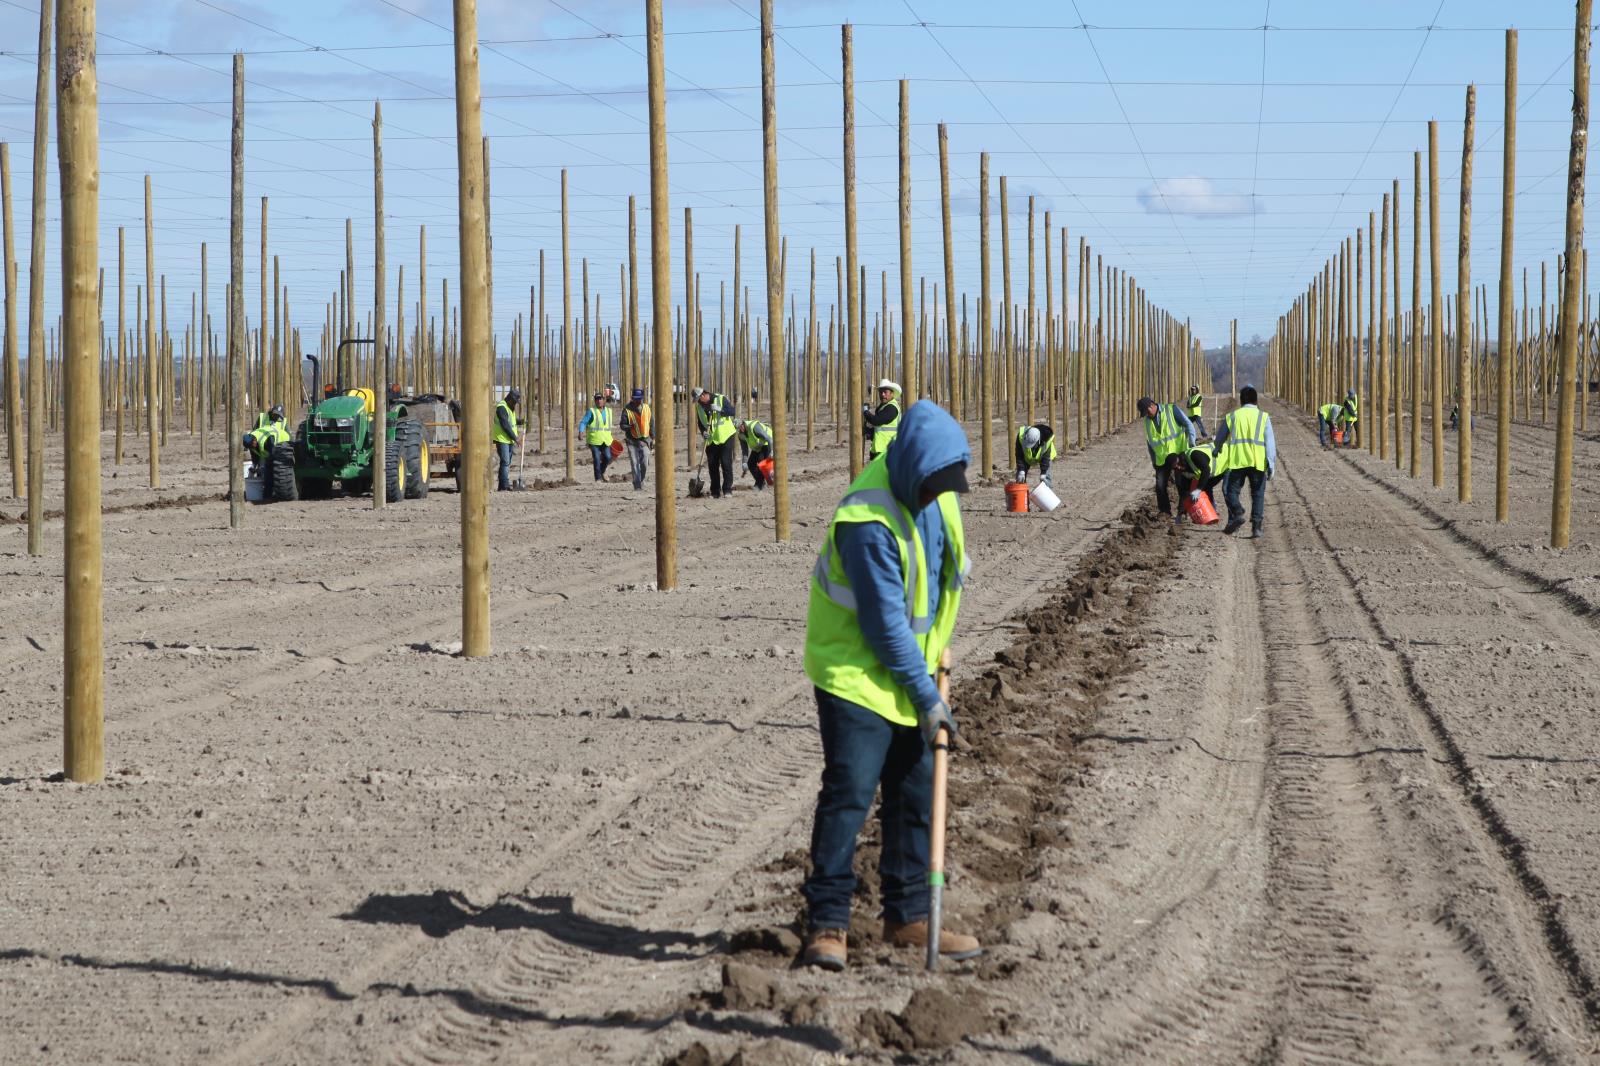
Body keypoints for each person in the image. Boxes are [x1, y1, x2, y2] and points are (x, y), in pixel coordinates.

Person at [800, 400, 982, 972]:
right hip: (855, 675)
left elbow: (948, 566)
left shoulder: (940, 493)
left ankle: (907, 916)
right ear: (910, 468)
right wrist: (928, 699)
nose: (937, 497)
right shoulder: (866, 521)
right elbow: (884, 628)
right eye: (931, 486)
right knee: (849, 795)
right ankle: (828, 923)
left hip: (913, 672)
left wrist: (933, 673)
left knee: (916, 792)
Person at [1211, 384, 1277, 538]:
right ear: (1256, 401)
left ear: (1241, 401)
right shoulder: (1263, 417)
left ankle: (1237, 510)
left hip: (1238, 461)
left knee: (1231, 491)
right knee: (1258, 494)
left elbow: (1220, 437)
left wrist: (1216, 449)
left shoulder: (1233, 416)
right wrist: (1271, 464)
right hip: (1257, 462)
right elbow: (1270, 442)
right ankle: (1256, 527)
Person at [1136, 395, 1196, 520]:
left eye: (1147, 411)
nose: (1146, 414)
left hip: (1179, 452)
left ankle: (1183, 511)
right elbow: (1150, 442)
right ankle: (1165, 511)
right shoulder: (1147, 421)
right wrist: (1153, 460)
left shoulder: (1171, 410)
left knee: (1181, 483)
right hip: (1162, 458)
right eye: (1144, 413)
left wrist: (1191, 445)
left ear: (1152, 405)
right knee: (1160, 485)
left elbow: (1188, 424)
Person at [696, 387, 738, 498]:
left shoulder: (721, 399)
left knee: (726, 463)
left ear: (703, 395)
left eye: (699, 399)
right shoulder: (699, 407)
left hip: (726, 436)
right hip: (711, 439)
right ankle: (715, 491)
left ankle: (727, 490)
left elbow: (732, 411)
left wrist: (720, 410)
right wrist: (703, 432)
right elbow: (700, 422)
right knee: (712, 465)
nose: (699, 402)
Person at [577, 391, 614, 482]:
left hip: (606, 440)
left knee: (608, 457)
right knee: (597, 459)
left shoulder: (609, 411)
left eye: (600, 399)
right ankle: (598, 478)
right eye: (597, 399)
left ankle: (603, 470)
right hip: (594, 440)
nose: (598, 401)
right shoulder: (591, 411)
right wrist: (581, 432)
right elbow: (583, 422)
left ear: (604, 400)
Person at [863, 379, 903, 460]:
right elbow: (882, 427)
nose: (882, 394)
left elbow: (876, 421)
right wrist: (869, 432)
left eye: (885, 392)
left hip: (887, 450)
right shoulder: (884, 406)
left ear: (892, 393)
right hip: (881, 449)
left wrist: (866, 411)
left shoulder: (892, 408)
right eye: (881, 392)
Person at [622, 387, 652, 491]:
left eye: (639, 399)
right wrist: (629, 427)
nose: (637, 401)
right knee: (634, 463)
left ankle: (642, 479)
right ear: (632, 398)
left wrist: (654, 437)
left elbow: (651, 423)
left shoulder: (647, 408)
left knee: (644, 462)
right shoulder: (627, 409)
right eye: (635, 398)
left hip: (645, 440)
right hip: (632, 441)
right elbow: (622, 425)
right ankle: (637, 484)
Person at [492, 388, 522, 491]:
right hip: (501, 439)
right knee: (505, 461)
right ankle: (504, 485)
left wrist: (521, 421)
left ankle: (502, 484)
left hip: (509, 439)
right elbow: (505, 424)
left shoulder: (510, 407)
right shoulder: (501, 407)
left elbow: (511, 421)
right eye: (515, 401)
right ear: (510, 399)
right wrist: (516, 438)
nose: (516, 404)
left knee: (507, 462)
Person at [738, 417, 774, 490]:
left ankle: (759, 485)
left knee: (762, 463)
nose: (740, 429)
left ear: (743, 423)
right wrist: (744, 462)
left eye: (741, 426)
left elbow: (769, 439)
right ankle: (762, 482)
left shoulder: (754, 427)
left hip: (767, 444)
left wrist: (771, 452)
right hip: (757, 447)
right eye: (738, 428)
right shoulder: (741, 435)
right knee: (750, 464)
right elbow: (744, 450)